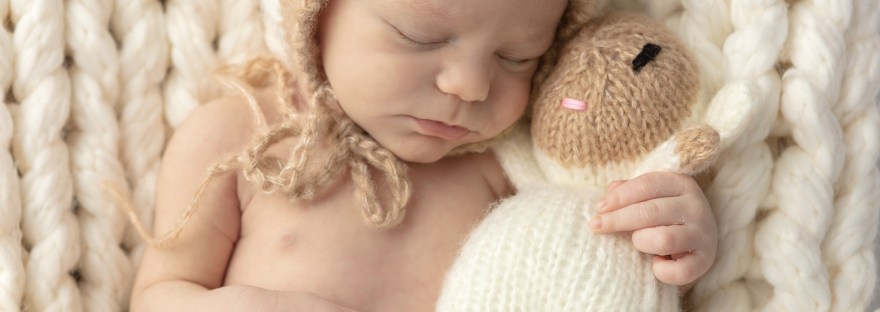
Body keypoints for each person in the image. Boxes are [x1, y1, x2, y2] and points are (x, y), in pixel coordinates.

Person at [129, 0, 718, 311]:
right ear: (319, 13)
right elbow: (160, 294)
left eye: (517, 57)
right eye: (421, 37)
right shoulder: (239, 139)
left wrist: (671, 233)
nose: (471, 85)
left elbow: (599, 262)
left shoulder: (510, 168)